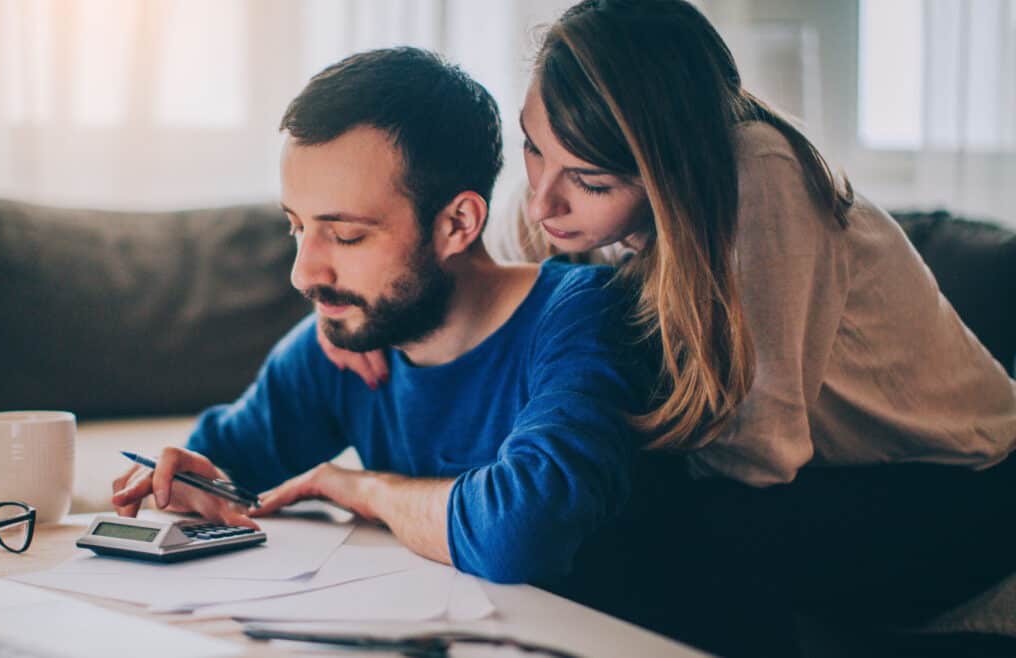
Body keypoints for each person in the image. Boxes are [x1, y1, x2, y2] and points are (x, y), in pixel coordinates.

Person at [319, 1, 1016, 655]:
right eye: (533, 149)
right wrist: (362, 306)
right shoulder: (558, 184)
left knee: (642, 526)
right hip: (816, 473)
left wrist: (563, 461)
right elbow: (471, 267)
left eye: (591, 183)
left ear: (670, 171)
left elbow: (759, 453)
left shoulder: (758, 177)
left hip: (959, 479)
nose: (542, 201)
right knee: (567, 505)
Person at [110, 47, 665, 598]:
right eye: (296, 227)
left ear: (457, 223)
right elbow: (223, 469)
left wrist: (365, 489)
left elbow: (521, 533)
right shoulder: (347, 340)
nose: (303, 274)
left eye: (347, 235)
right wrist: (184, 479)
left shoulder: (586, 316)